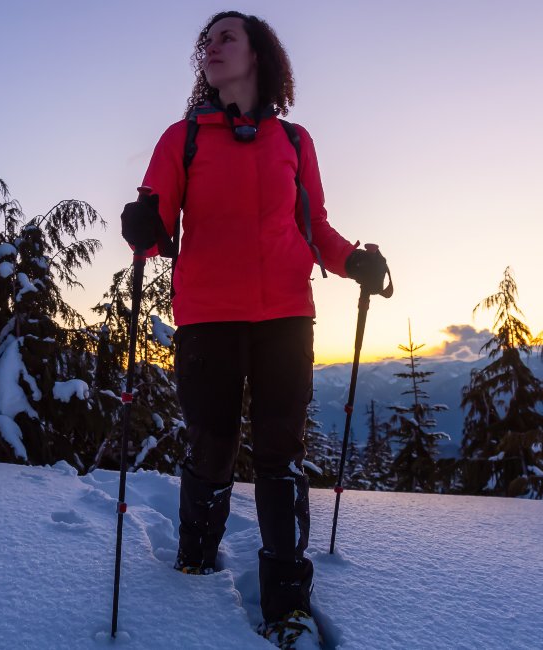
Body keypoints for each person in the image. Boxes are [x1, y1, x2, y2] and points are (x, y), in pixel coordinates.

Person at [120, 10, 390, 648]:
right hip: (207, 318)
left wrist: (352, 259)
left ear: (257, 56)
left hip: (286, 318)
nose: (210, 49)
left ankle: (288, 603)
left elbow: (314, 227)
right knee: (211, 450)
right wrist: (143, 226)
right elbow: (155, 228)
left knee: (279, 457)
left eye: (225, 38)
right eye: (205, 42)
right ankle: (194, 559)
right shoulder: (182, 138)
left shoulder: (294, 142)